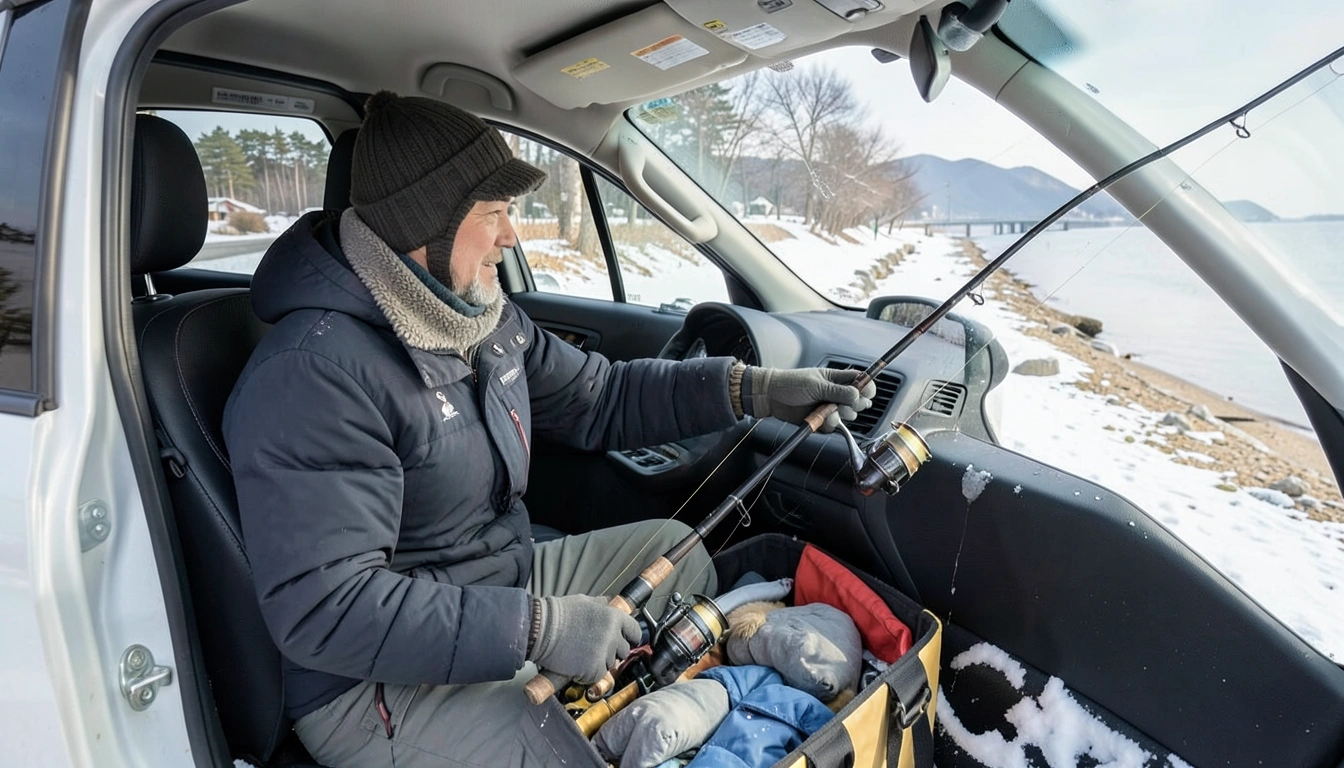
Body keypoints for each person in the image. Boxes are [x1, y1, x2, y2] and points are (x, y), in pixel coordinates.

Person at [222, 91, 875, 768]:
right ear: (424, 227)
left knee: (672, 550)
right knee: (562, 754)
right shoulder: (313, 375)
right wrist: (540, 629)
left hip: (499, 584)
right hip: (373, 687)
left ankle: (674, 705)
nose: (510, 236)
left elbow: (602, 396)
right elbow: (329, 609)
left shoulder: (477, 318)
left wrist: (753, 390)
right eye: (493, 214)